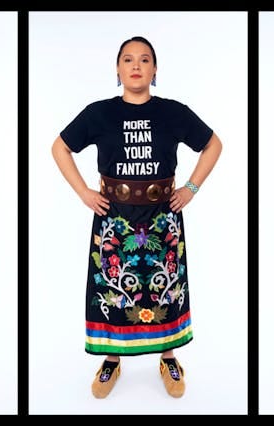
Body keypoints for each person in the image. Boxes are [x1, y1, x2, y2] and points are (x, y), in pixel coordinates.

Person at [52, 36, 223, 399]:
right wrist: (84, 192)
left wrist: (191, 187)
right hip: (114, 215)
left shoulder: (173, 112)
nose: (136, 66)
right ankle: (111, 357)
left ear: (155, 69)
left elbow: (213, 144)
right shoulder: (100, 113)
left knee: (165, 286)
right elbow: (60, 147)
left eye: (144, 60)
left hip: (163, 215)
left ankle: (168, 355)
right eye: (128, 59)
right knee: (114, 286)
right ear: (117, 69)